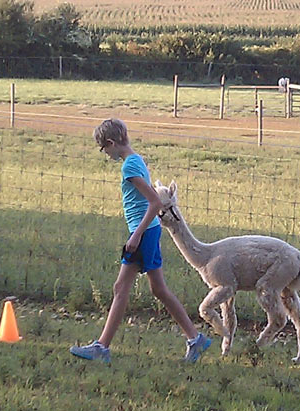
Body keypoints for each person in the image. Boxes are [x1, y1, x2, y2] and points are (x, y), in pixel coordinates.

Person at [70, 118, 211, 364]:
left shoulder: (130, 167)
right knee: (158, 289)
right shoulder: (136, 160)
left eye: (104, 149)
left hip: (143, 232)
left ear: (112, 143)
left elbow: (155, 203)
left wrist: (135, 236)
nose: (105, 154)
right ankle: (195, 338)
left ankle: (101, 348)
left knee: (120, 289)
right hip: (149, 231)